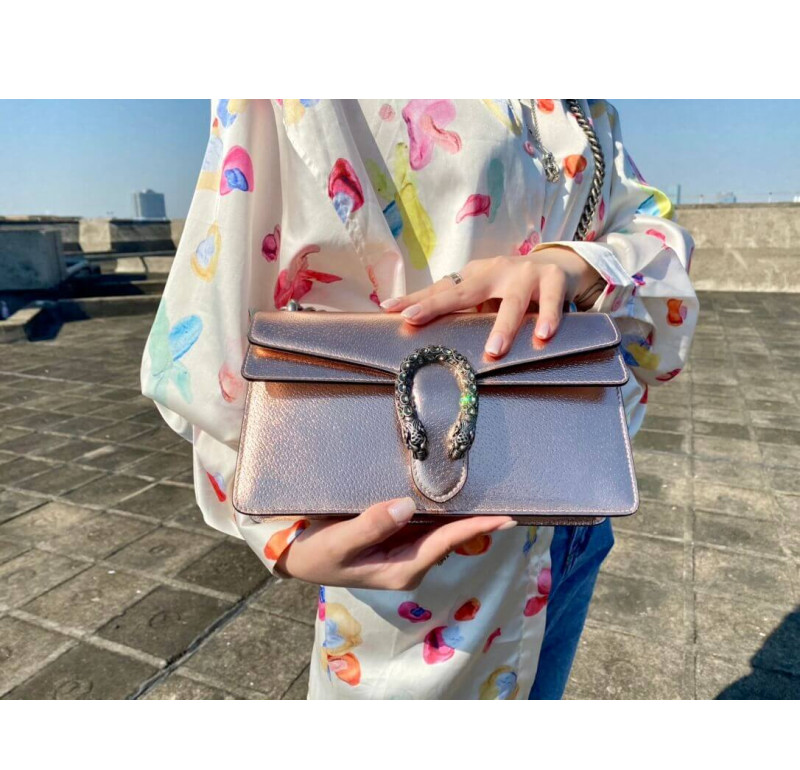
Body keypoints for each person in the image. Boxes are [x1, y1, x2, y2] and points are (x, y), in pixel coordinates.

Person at [140, 99, 698, 699]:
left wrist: (574, 264)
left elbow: (647, 221)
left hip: (573, 518)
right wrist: (282, 538)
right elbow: (203, 328)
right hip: (410, 562)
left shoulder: (581, 99)